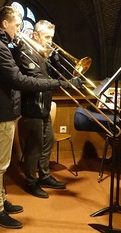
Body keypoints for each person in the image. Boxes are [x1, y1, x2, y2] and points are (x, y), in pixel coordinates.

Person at [0, 6, 74, 229]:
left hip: (4, 111)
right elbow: (19, 80)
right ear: (4, 24)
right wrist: (59, 84)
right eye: (17, 25)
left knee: (1, 162)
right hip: (1, 113)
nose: (19, 30)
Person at [14, 20, 71, 199]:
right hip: (32, 108)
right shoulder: (26, 53)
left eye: (52, 37)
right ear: (36, 35)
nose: (50, 41)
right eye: (47, 37)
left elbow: (52, 76)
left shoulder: (42, 54)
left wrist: (56, 61)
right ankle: (30, 182)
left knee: (49, 141)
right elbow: (37, 80)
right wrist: (62, 83)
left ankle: (44, 175)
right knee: (34, 148)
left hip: (43, 107)